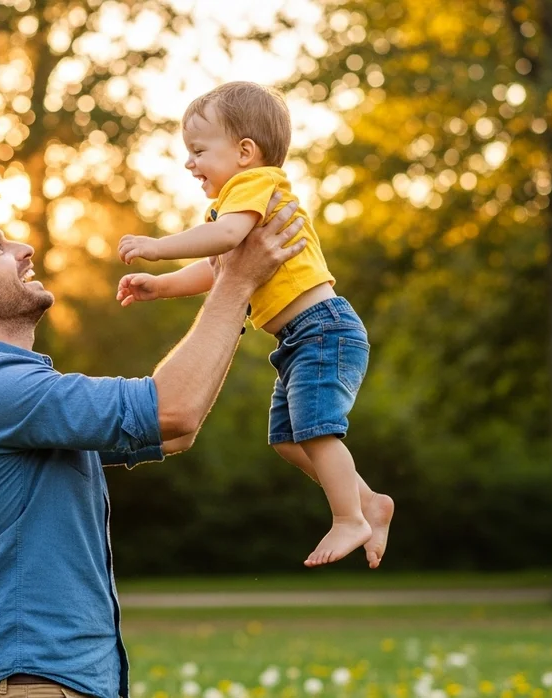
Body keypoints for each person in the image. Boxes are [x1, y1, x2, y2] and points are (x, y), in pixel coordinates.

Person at [0, 192, 306, 698]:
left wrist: (231, 285)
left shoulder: (16, 392)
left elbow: (176, 430)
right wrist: (237, 281)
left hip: (58, 680)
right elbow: (172, 408)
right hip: (31, 682)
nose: (24, 249)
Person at [114, 81, 394, 568]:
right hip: (298, 338)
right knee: (287, 439)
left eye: (199, 151)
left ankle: (349, 517)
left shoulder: (255, 185)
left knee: (316, 430)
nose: (189, 164)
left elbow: (221, 237)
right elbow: (218, 267)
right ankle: (369, 501)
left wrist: (156, 246)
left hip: (322, 329)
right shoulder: (237, 204)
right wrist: (160, 285)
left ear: (245, 151)